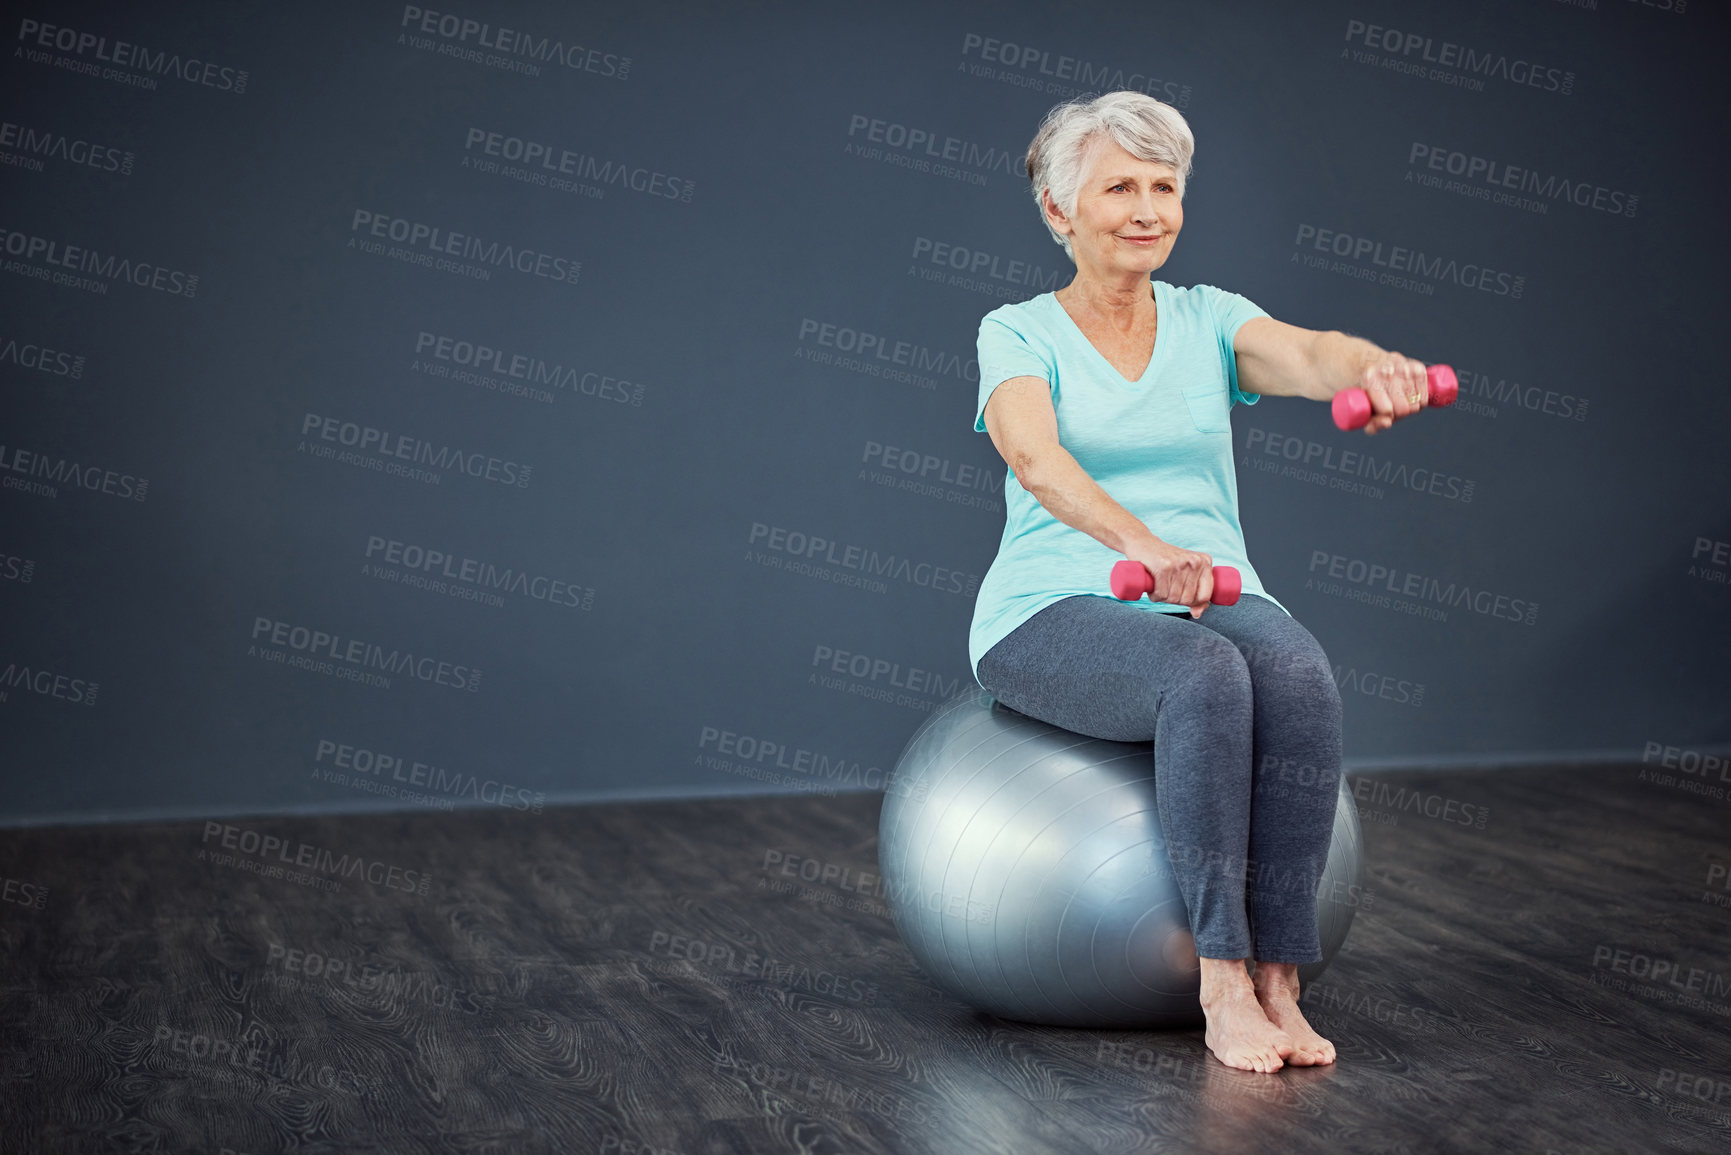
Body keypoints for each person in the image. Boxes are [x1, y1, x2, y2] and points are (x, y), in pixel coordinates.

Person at [969, 91, 1431, 1074]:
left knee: (1296, 671)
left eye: (1165, 187)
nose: (1148, 210)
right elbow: (1038, 462)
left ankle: (1279, 977)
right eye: (1120, 187)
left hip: (1209, 588)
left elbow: (1311, 354)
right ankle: (1221, 979)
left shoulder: (1210, 320)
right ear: (1059, 212)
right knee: (1204, 675)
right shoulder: (1015, 333)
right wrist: (1142, 543)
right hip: (1051, 606)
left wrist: (1377, 365)